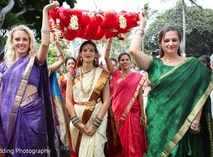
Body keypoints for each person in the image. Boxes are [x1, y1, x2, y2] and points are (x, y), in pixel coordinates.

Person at [129, 11, 213, 156]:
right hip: (158, 124)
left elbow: (200, 92)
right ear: (160, 43)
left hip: (184, 122)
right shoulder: (153, 63)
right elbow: (132, 50)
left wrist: (196, 119)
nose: (170, 44)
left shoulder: (192, 65)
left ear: (179, 41)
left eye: (174, 40)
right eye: (166, 40)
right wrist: (142, 25)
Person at [0, 1, 63, 157]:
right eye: (17, 39)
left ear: (30, 43)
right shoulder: (4, 67)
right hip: (9, 119)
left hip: (34, 117)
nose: (21, 42)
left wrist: (45, 11)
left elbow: (45, 43)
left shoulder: (35, 61)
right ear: (12, 42)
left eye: (25, 39)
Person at [65, 40, 110, 157]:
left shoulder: (103, 74)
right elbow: (68, 101)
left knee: (97, 151)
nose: (88, 52)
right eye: (85, 50)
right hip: (78, 120)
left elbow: (107, 101)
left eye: (91, 50)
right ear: (80, 54)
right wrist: (77, 123)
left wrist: (96, 124)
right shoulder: (73, 74)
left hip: (97, 117)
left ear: (96, 54)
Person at [104, 38, 147, 157]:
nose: (125, 62)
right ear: (118, 62)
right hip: (117, 111)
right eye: (122, 60)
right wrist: (110, 40)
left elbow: (140, 96)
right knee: (120, 136)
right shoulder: (115, 74)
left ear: (130, 61)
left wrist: (142, 113)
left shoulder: (137, 76)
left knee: (135, 136)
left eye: (127, 59)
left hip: (134, 111)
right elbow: (106, 58)